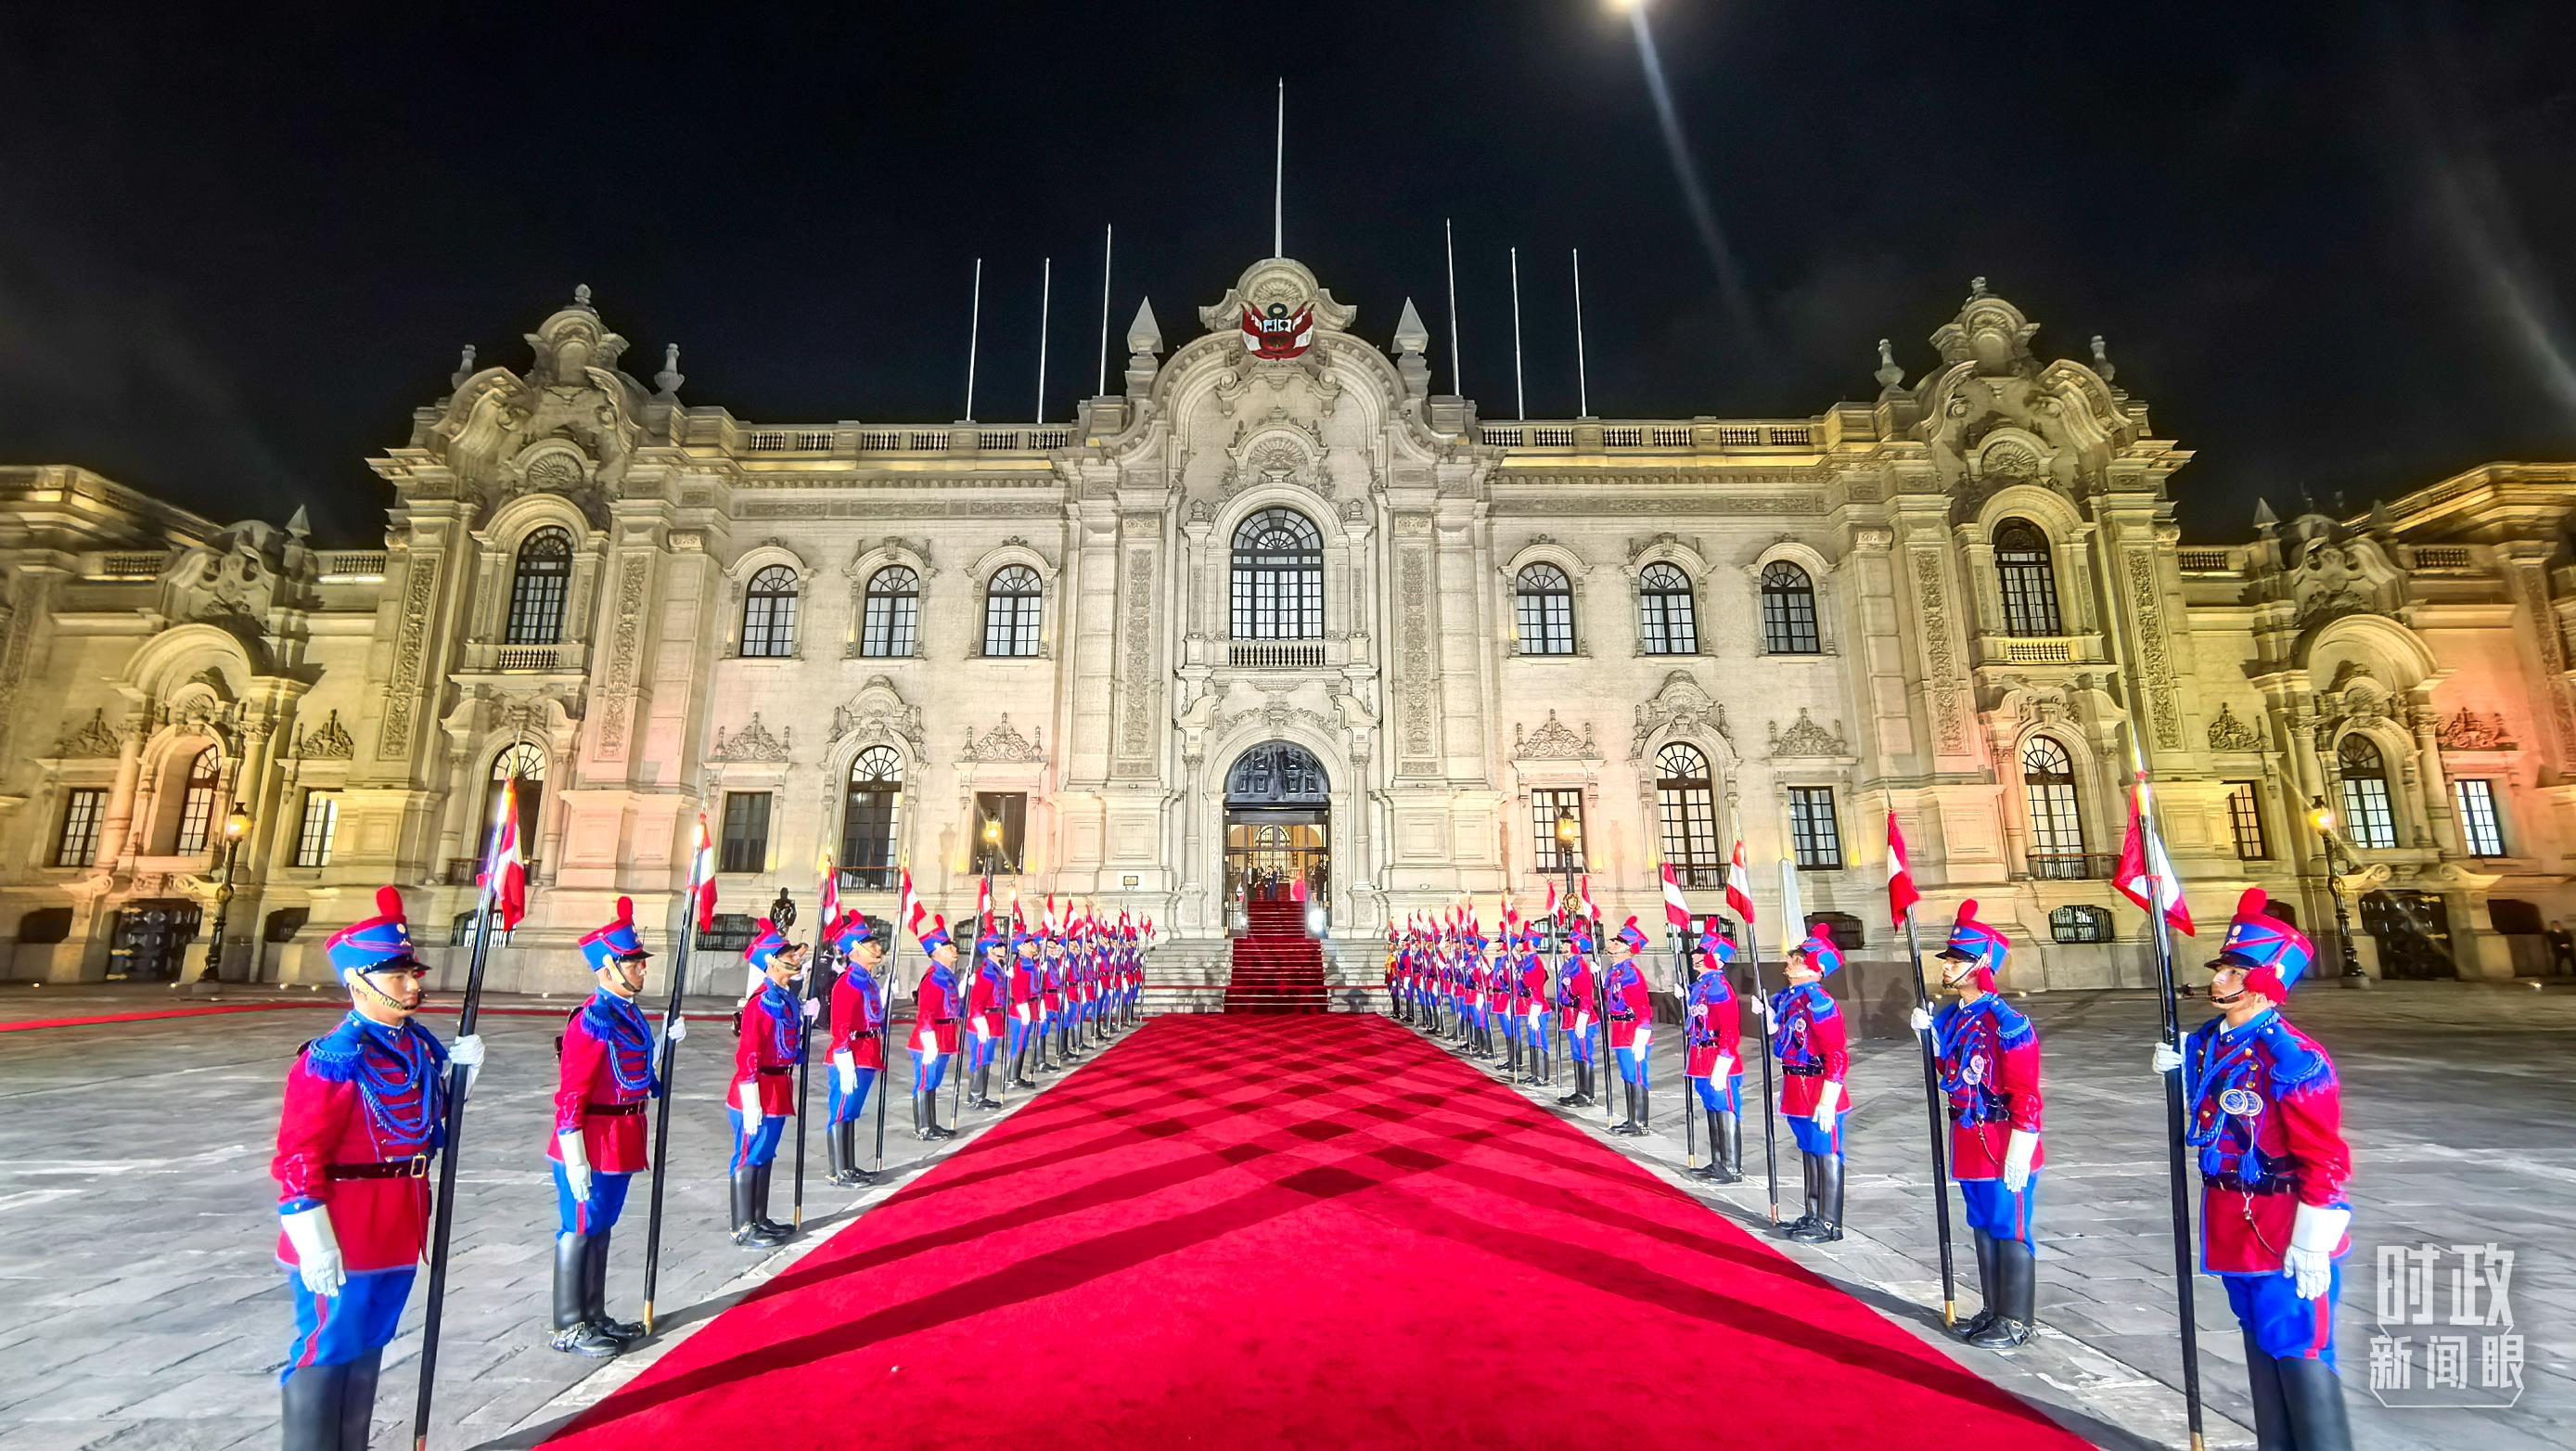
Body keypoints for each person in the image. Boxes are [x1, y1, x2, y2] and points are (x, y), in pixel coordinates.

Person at [270, 886, 486, 1450]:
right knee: (327, 1346)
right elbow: (297, 1157)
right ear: (357, 981)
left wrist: (463, 1079)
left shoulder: (417, 1049)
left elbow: (426, 1122)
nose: (412, 984)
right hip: (345, 1225)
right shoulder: (332, 1059)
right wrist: (312, 1238)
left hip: (399, 1219)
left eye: (412, 973)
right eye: (397, 975)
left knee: (370, 1345)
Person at [2154, 889, 2354, 1450]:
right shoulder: (2207, 1043)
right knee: (2258, 1340)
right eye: (2221, 969)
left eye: (2235, 971)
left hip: (2282, 1222)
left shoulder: (2293, 1058)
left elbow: (2325, 1158)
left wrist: (2313, 1237)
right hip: (2231, 1216)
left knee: (2297, 1346)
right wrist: (2179, 1073)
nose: (2219, 979)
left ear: (2267, 980)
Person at [547, 896, 682, 1357]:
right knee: (579, 1228)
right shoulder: (592, 1020)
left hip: (622, 1136)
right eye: (633, 962)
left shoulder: (627, 1012)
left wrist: (663, 1044)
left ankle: (595, 1314)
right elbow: (571, 1095)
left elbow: (632, 1072)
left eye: (641, 961)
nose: (643, 968)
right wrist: (575, 1157)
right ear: (608, 967)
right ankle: (569, 1325)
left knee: (601, 1227)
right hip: (591, 1141)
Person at [1910, 900, 2044, 1350]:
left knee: (2009, 1226)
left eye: (1957, 960)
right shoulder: (1954, 1017)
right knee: (1982, 1224)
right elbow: (1951, 1072)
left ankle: (2017, 1320)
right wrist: (1930, 1040)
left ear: (1982, 965)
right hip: (1968, 1136)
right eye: (1948, 959)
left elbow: (2026, 1092)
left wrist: (2022, 1145)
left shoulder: (2007, 1024)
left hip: (2003, 1138)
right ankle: (1992, 1310)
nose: (1947, 966)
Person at [1758, 924, 1851, 1242]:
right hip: (1796, 1086)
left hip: (1818, 1087)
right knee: (1810, 1151)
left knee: (1826, 1153)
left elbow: (1836, 1053)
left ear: (1814, 968)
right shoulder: (1792, 998)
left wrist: (1828, 1098)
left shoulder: (1818, 1002)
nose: (1789, 964)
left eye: (1796, 960)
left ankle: (1829, 1223)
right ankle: (1812, 1214)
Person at [727, 921, 810, 1248]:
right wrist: (751, 1098)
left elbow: (787, 1047)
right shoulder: (760, 1002)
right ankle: (742, 1227)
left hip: (778, 1088)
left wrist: (806, 1024)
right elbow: (748, 1052)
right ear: (771, 962)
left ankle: (759, 1218)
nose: (795, 958)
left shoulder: (786, 999)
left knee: (764, 1154)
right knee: (749, 1155)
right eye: (788, 954)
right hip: (757, 1090)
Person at [825, 911, 889, 1187]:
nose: (877, 947)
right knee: (842, 1110)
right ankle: (838, 1170)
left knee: (851, 1112)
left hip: (867, 1052)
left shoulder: (867, 980)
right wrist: (843, 1054)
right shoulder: (848, 981)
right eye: (870, 944)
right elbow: (840, 1022)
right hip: (851, 1053)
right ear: (856, 950)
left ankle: (849, 1166)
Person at [1683, 923, 1745, 1183]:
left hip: (1718, 1056)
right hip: (1701, 1056)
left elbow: (1729, 1028)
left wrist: (1724, 1059)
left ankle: (1731, 1166)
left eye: (1701, 952)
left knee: (1724, 1107)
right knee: (1712, 1107)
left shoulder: (1718, 986)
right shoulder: (1703, 985)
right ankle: (1718, 1161)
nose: (1695, 955)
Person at [909, 915, 963, 1140]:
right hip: (930, 1038)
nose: (954, 949)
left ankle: (931, 1123)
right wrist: (929, 1039)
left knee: (933, 1082)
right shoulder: (933, 978)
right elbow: (926, 1012)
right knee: (925, 1081)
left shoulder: (946, 976)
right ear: (937, 951)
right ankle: (923, 1127)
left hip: (945, 1036)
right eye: (949, 947)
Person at [1603, 918, 1655, 1136]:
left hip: (1633, 1029)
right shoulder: (1616, 971)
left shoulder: (1630, 973)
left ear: (1627, 949)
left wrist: (1643, 1028)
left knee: (1636, 1075)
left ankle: (1640, 1122)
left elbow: (1641, 1004)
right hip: (1620, 1029)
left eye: (1617, 943)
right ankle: (1631, 1118)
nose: (1611, 944)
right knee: (1627, 1074)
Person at [1554, 922, 1602, 1109]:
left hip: (1581, 1017)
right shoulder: (1568, 965)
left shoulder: (1580, 967)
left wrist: (1582, 1017)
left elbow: (1586, 994)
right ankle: (1579, 1090)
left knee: (1584, 1053)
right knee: (1576, 1054)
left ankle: (1587, 1094)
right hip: (1569, 1015)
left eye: (1568, 944)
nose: (1564, 947)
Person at [966, 929, 1008, 1110]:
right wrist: (979, 1021)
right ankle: (976, 1096)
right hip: (984, 1020)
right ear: (991, 950)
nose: (1004, 948)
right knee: (980, 1057)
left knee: (987, 1057)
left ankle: (980, 1094)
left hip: (994, 1019)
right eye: (1000, 946)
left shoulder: (997, 970)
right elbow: (976, 1001)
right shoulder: (986, 972)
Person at [1007, 925, 1044, 1088]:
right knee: (1019, 1041)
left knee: (1023, 1041)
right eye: (1030, 943)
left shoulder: (1029, 963)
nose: (1034, 945)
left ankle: (1016, 1075)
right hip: (1021, 1009)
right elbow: (1018, 988)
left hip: (1031, 1006)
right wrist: (1023, 1007)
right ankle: (1012, 1077)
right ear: (1021, 947)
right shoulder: (1021, 965)